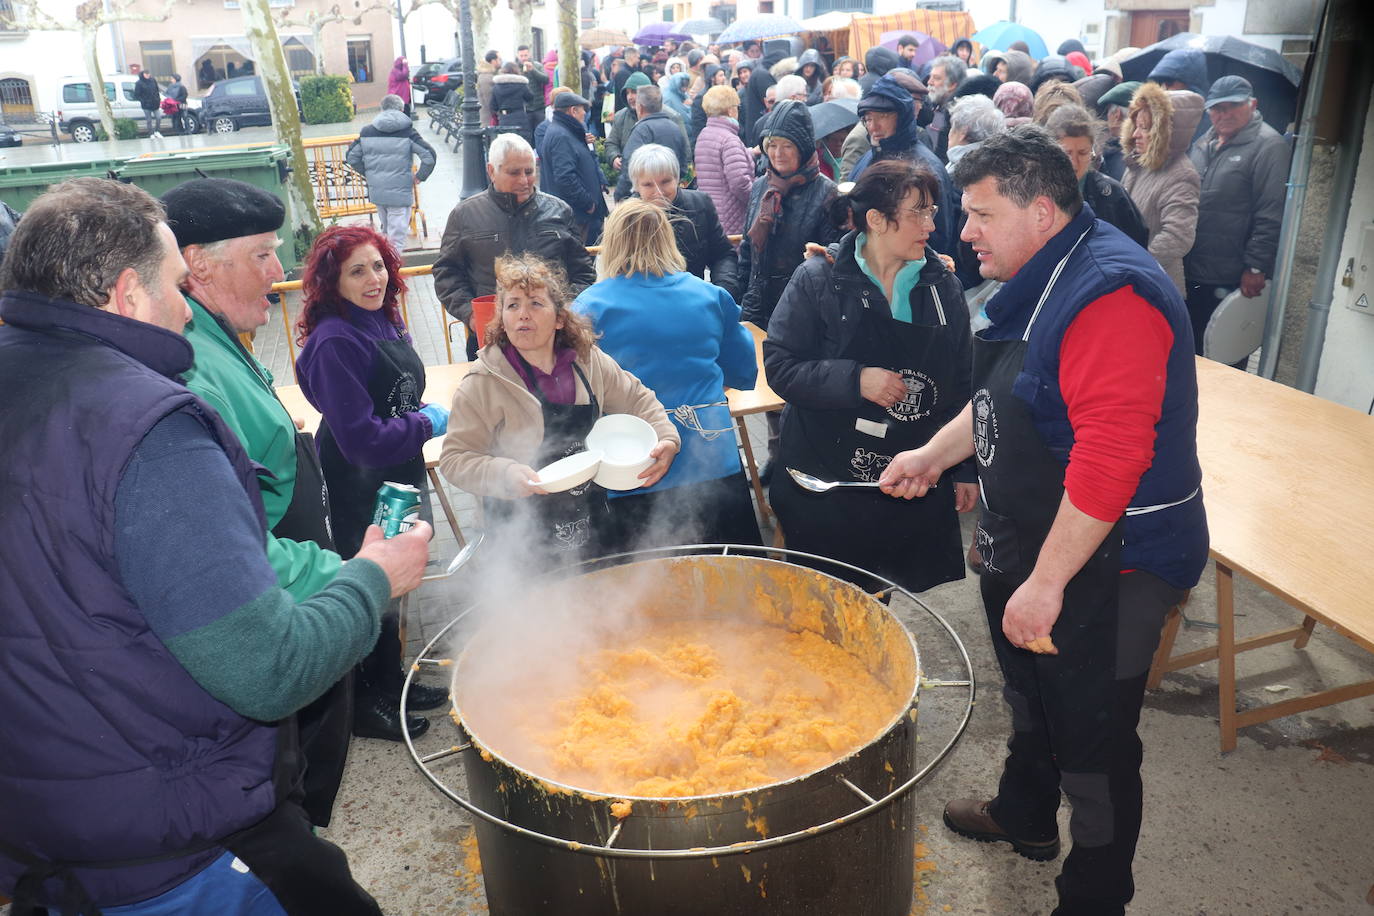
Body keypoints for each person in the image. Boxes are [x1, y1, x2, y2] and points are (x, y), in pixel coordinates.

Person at [0, 177, 430, 915]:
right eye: (175, 284)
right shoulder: (149, 425)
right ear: (128, 293)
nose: (184, 306)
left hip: (43, 810)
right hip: (166, 834)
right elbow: (265, 667)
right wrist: (367, 578)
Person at [879, 125, 1208, 916]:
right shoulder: (1038, 275)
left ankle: (1094, 898)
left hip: (1114, 561)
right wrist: (931, 453)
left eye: (983, 214)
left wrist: (1048, 581)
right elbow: (1008, 400)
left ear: (1044, 212)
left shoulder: (1109, 296)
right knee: (1031, 693)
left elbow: (1110, 460)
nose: (964, 231)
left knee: (1093, 738)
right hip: (1031, 535)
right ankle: (1026, 816)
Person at [765, 160, 977, 590]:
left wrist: (963, 467)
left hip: (907, 478)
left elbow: (964, 383)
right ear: (877, 220)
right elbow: (780, 367)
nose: (930, 226)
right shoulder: (819, 278)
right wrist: (855, 379)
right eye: (918, 212)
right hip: (826, 478)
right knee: (824, 593)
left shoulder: (941, 286)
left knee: (881, 593)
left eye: (932, 211)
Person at [293, 226, 449, 743]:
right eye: (357, 270)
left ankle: (390, 678)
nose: (373, 279)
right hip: (359, 480)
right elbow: (359, 437)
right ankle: (362, 700)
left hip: (399, 470)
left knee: (398, 580)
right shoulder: (334, 340)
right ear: (331, 281)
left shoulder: (383, 320)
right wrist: (427, 424)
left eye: (379, 266)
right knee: (370, 585)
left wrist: (416, 420)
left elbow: (394, 402)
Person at [440, 254, 679, 558]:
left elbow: (636, 398)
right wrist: (504, 473)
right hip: (519, 540)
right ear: (501, 318)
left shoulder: (588, 362)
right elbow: (455, 458)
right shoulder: (482, 382)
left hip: (593, 521)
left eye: (535, 304)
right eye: (512, 305)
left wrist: (666, 437)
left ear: (559, 319)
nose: (522, 314)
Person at [575, 200, 760, 550]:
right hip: (711, 461)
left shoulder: (588, 306)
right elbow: (743, 372)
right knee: (732, 583)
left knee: (645, 591)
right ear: (668, 240)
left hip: (631, 463)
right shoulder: (711, 296)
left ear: (610, 243)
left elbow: (576, 393)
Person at [433, 133, 597, 361]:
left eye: (529, 171)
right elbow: (446, 274)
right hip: (492, 339)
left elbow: (583, 273)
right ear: (491, 171)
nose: (524, 180)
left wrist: (563, 309)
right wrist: (470, 314)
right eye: (514, 172)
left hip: (553, 340)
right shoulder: (464, 215)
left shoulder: (559, 210)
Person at [1184, 76, 1289, 359]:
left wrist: (1256, 267)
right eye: (1217, 108)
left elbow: (1271, 211)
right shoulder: (1203, 143)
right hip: (1194, 271)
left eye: (1233, 106)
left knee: (1223, 359)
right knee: (1190, 357)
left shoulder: (1269, 145)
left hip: (1230, 276)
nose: (1224, 113)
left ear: (1252, 104)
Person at [850, 73, 957, 258]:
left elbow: (938, 238)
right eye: (867, 119)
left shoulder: (926, 167)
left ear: (902, 117)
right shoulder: (866, 160)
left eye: (882, 116)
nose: (873, 126)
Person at [1120, 84, 1203, 293]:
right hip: (1130, 279)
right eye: (1135, 126)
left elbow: (1178, 236)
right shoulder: (1139, 163)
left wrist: (1136, 264)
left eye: (1145, 128)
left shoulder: (1181, 174)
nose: (1135, 134)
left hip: (1154, 285)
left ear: (1164, 132)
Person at [629, 144, 739, 301]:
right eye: (648, 184)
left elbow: (722, 255)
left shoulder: (700, 204)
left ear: (677, 178)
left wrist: (722, 293)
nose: (658, 191)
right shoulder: (627, 218)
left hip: (694, 301)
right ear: (637, 186)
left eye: (665, 182)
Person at [1047, 103, 1149, 250]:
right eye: (1067, 153)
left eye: (1083, 153)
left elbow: (1136, 247)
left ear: (1093, 150)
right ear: (1051, 151)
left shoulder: (1111, 195)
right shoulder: (1033, 193)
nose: (1074, 163)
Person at [346, 94, 437, 254]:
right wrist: (420, 176)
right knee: (397, 237)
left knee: (386, 232)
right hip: (400, 192)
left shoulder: (367, 131)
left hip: (378, 191)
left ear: (382, 109)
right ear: (402, 110)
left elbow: (352, 157)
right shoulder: (408, 132)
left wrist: (368, 173)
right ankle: (392, 271)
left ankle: (386, 269)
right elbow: (429, 156)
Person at [537, 91, 607, 245]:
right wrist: (588, 204)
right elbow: (565, 177)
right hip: (578, 215)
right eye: (583, 109)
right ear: (573, 111)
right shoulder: (561, 135)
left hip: (580, 215)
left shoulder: (566, 131)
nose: (584, 114)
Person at [694, 84, 755, 238]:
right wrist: (756, 200)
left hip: (711, 212)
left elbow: (716, 165)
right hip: (731, 216)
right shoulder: (729, 139)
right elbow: (739, 183)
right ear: (730, 110)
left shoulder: (704, 134)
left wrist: (750, 152)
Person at [613, 85, 689, 201]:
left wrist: (620, 196)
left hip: (648, 200)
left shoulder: (641, 130)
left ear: (640, 107)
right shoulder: (674, 127)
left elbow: (630, 168)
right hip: (672, 195)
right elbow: (684, 164)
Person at [603, 72, 687, 176]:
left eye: (634, 92)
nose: (630, 97)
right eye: (627, 93)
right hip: (632, 180)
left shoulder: (672, 117)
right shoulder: (620, 117)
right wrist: (614, 157)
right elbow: (611, 143)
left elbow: (685, 154)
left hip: (665, 179)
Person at [925, 54, 966, 161]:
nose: (929, 82)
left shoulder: (957, 114)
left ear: (952, 84)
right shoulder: (936, 107)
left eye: (936, 78)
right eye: (930, 77)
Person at [491, 61, 534, 141]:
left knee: (507, 144)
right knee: (522, 143)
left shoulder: (496, 87)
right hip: (520, 118)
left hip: (504, 119)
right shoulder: (521, 84)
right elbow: (530, 97)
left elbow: (493, 106)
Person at [134, 69, 162, 137]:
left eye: (148, 74)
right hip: (146, 104)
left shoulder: (153, 80)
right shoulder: (139, 83)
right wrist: (143, 101)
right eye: (146, 74)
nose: (147, 75)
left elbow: (157, 90)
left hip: (155, 103)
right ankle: (151, 133)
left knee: (158, 117)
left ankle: (157, 131)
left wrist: (158, 99)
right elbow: (137, 94)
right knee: (149, 120)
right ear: (143, 74)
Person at [478, 50, 500, 125]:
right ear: (493, 61)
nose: (501, 61)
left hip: (490, 119)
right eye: (499, 59)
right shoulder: (486, 77)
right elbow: (489, 100)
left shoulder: (489, 75)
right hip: (489, 120)